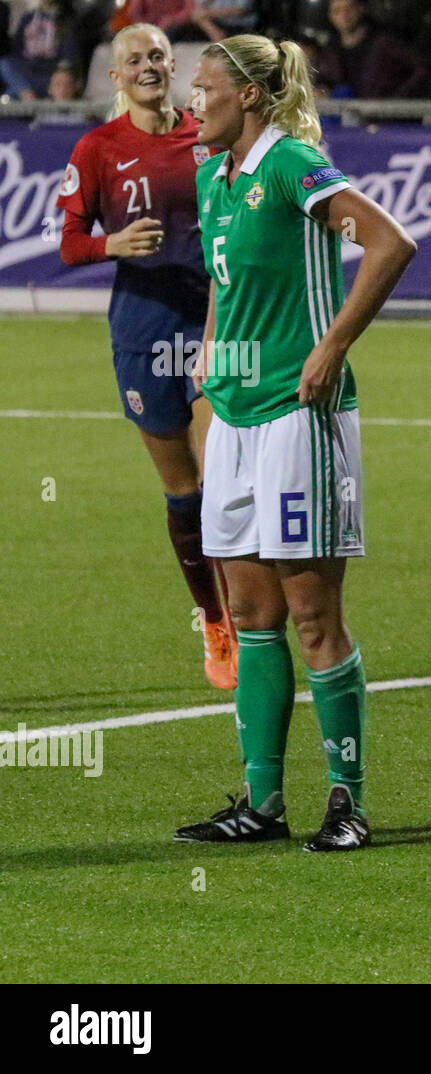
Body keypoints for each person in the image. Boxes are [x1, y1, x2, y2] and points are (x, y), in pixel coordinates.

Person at [173, 33, 416, 850]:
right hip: (237, 416)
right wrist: (210, 356)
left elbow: (390, 243)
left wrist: (334, 344)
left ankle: (347, 802)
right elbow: (222, 279)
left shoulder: (292, 164)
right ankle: (262, 802)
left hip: (299, 416)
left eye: (201, 88)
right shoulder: (214, 175)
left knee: (314, 616)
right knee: (250, 612)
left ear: (247, 96)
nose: (188, 102)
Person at [57, 23, 236, 690]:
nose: (149, 66)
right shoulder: (99, 148)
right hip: (143, 326)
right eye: (135, 59)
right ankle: (213, 619)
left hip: (216, 324)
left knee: (220, 476)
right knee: (184, 492)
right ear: (117, 76)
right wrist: (113, 246)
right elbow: (71, 242)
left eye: (158, 55)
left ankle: (247, 617)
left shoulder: (207, 135)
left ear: (172, 62)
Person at [0, 0, 79, 100]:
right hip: (25, 73)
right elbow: (16, 49)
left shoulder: (65, 19)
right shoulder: (27, 17)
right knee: (4, 64)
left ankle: (26, 96)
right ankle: (26, 93)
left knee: (10, 94)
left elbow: (68, 55)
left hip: (48, 75)